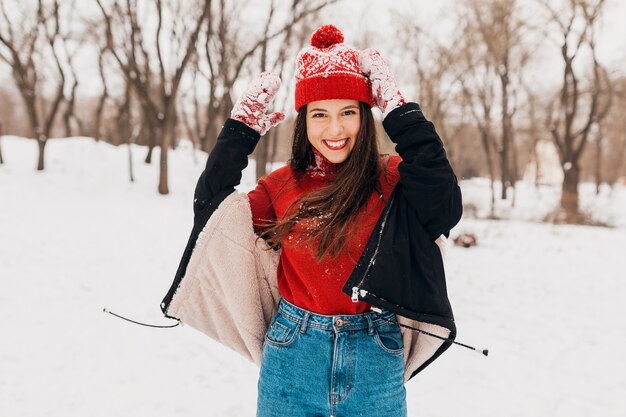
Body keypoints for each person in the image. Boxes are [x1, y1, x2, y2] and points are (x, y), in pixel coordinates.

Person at [161, 24, 462, 417]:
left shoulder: (392, 179)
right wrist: (240, 132)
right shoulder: (280, 186)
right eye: (320, 114)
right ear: (303, 121)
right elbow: (212, 213)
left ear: (366, 117)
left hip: (375, 354)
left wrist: (399, 110)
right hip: (293, 354)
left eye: (348, 113)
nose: (334, 129)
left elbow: (445, 207)